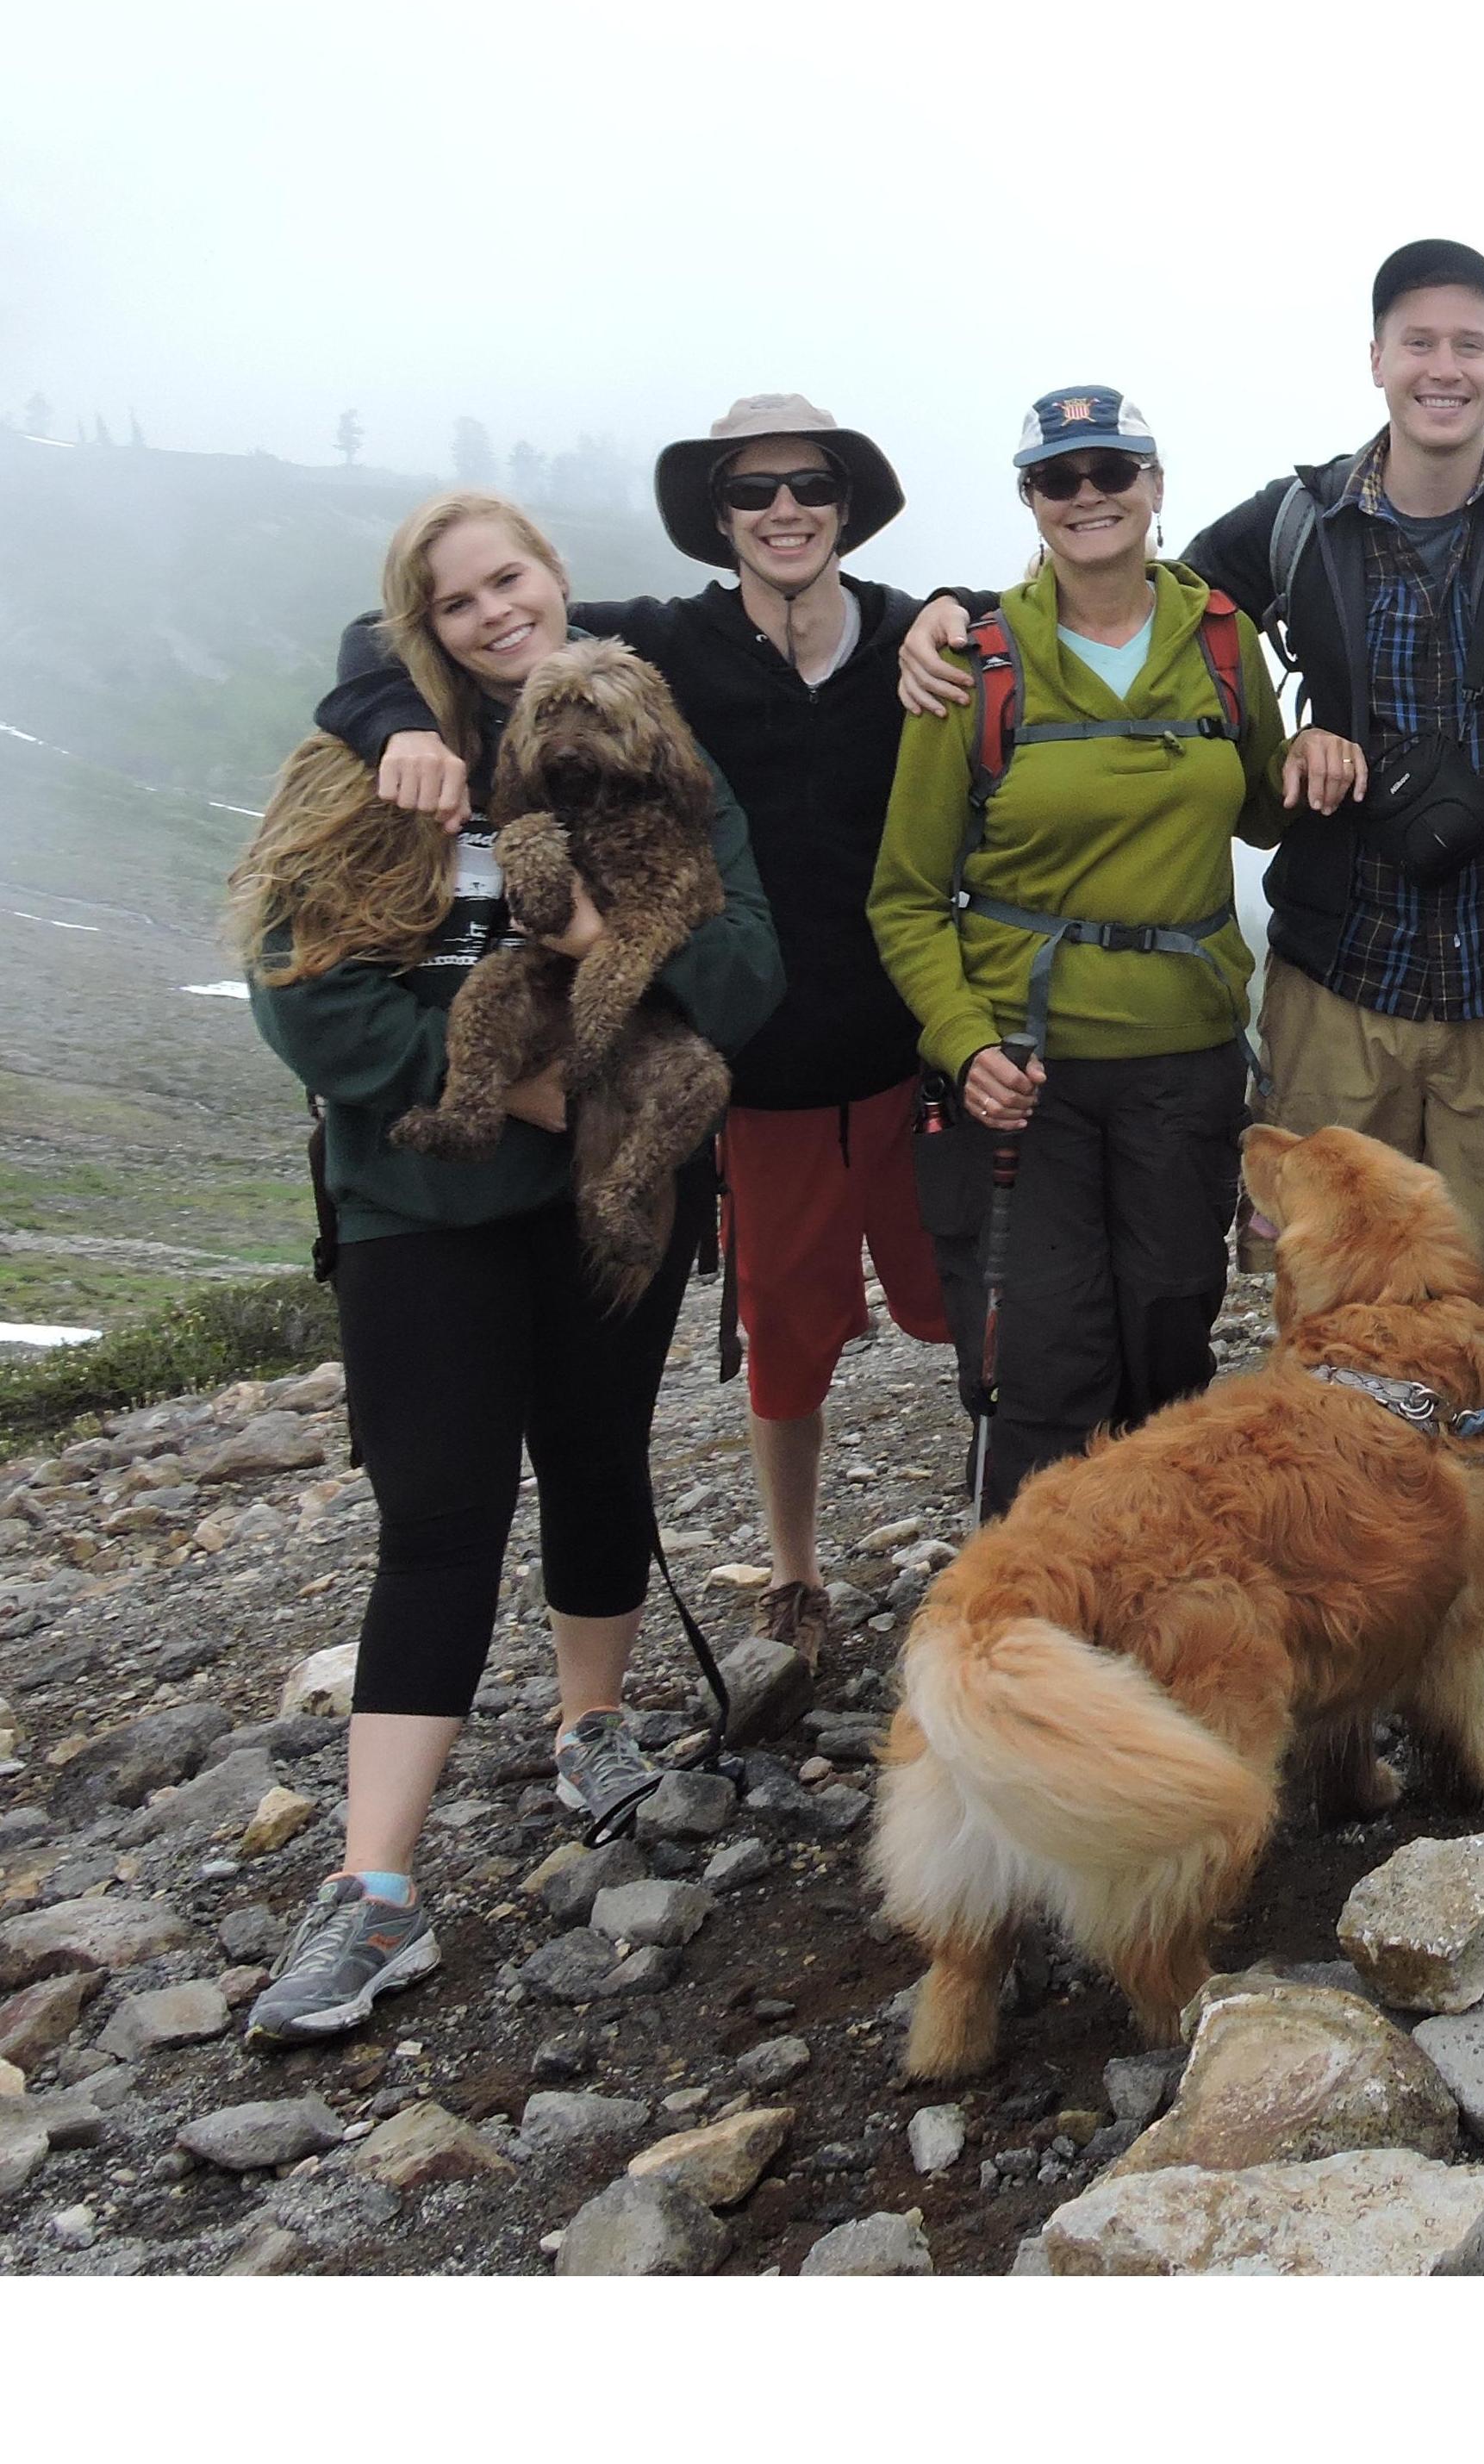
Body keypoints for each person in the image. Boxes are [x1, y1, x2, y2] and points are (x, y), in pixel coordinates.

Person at [899, 244, 1484, 1603]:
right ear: (1376, 359)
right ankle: (1336, 1541)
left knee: (1478, 1292)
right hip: (1342, 963)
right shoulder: (1290, 527)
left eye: (1472, 345)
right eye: (1420, 343)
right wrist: (950, 612)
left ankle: (1466, 1543)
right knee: (1330, 1287)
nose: (1445, 369)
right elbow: (1132, 585)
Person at [234, 493, 783, 2043]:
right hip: (426, 1203)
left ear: (558, 583)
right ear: (423, 622)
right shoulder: (376, 758)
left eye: (511, 579)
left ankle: (592, 1723)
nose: (492, 612)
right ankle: (375, 1886)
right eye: (455, 597)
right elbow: (306, 1001)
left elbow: (746, 977)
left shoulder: (654, 754)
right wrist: (502, 1085)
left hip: (616, 1191)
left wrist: (627, 922)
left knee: (603, 1458)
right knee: (440, 1511)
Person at [316, 396, 949, 1681]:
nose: (782, 509)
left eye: (808, 484)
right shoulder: (651, 642)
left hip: (913, 1046)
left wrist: (954, 608)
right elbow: (392, 634)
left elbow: (1030, 599)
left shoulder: (910, 633)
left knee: (969, 1314)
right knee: (785, 1333)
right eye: (751, 491)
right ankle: (794, 1569)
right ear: (716, 519)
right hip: (755, 1074)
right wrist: (389, 721)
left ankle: (1000, 1541)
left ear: (845, 502)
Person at [869, 388, 1290, 1517]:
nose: (1090, 495)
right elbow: (906, 897)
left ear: (1155, 486)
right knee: (1045, 1360)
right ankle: (1031, 1633)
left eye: (1113, 471)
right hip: (1021, 1070)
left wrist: (1335, 746)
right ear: (1031, 499)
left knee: (1167, 1337)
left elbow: (1268, 809)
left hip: (1184, 1057)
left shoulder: (1221, 643)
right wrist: (963, 1047)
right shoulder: (977, 660)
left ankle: (1164, 1612)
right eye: (1061, 478)